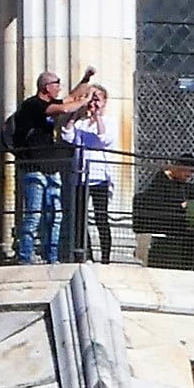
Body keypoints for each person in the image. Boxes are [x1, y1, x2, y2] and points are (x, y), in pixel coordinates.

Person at [7, 73, 69, 266]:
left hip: (50, 168)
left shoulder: (50, 103)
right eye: (56, 84)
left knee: (55, 214)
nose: (59, 88)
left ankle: (52, 256)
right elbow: (66, 106)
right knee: (34, 214)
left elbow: (70, 99)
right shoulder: (32, 105)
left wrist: (85, 81)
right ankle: (26, 255)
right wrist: (83, 100)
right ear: (46, 87)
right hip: (33, 167)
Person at [63, 72, 115, 267]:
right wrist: (76, 113)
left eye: (97, 99)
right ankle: (85, 254)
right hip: (80, 177)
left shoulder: (109, 122)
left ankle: (106, 257)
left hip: (99, 177)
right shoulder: (81, 123)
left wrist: (98, 116)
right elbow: (68, 137)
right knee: (79, 218)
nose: (93, 104)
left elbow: (105, 139)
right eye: (91, 100)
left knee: (101, 217)